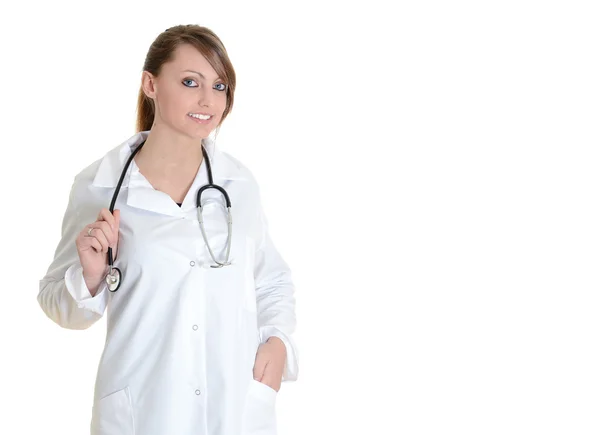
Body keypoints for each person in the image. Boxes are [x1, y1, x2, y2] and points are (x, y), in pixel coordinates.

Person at [37, 24, 298, 435]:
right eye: (190, 81)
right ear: (150, 84)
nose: (207, 100)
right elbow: (57, 304)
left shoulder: (238, 184)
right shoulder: (100, 185)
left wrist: (278, 341)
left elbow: (272, 281)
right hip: (143, 411)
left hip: (233, 410)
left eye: (220, 86)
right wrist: (89, 276)